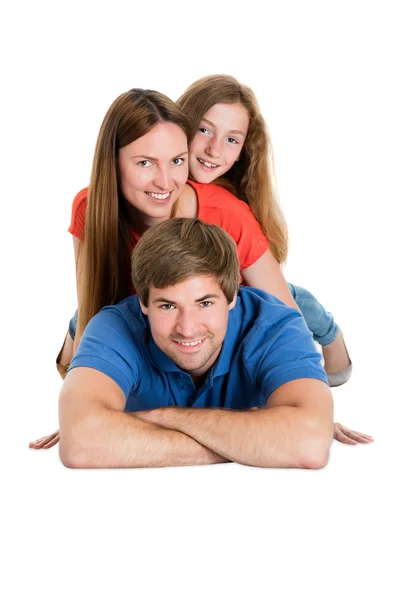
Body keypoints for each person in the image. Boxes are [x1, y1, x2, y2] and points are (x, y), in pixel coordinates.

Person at [30, 87, 371, 450]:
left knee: (296, 300)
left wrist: (307, 402)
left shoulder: (226, 214)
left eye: (177, 161)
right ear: (112, 163)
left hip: (232, 300)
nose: (165, 182)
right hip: (142, 304)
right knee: (79, 325)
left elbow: (284, 320)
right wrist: (84, 404)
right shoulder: (90, 208)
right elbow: (95, 304)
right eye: (145, 163)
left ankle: (331, 333)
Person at [59, 217, 335, 469]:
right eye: (167, 306)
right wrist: (256, 443)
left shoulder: (276, 325)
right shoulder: (114, 327)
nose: (187, 328)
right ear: (143, 303)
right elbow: (81, 441)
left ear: (231, 298)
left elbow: (309, 443)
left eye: (204, 303)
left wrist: (163, 418)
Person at [176, 74, 352, 387]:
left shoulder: (230, 211)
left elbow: (285, 313)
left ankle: (330, 335)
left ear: (243, 149)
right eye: (204, 129)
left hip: (243, 292)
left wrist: (308, 390)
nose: (214, 149)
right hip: (198, 295)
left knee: (290, 297)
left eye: (231, 139)